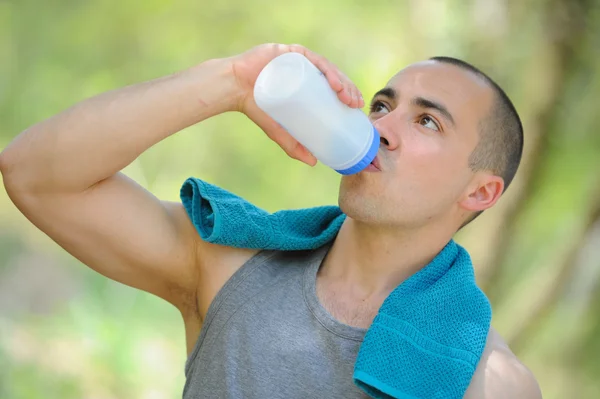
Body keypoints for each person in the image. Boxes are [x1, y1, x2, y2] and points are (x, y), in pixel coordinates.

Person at [0, 43, 542, 398]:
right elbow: (35, 175)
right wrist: (232, 83)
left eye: (426, 120)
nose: (380, 128)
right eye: (380, 105)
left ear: (481, 191)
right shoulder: (228, 264)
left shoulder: (485, 381)